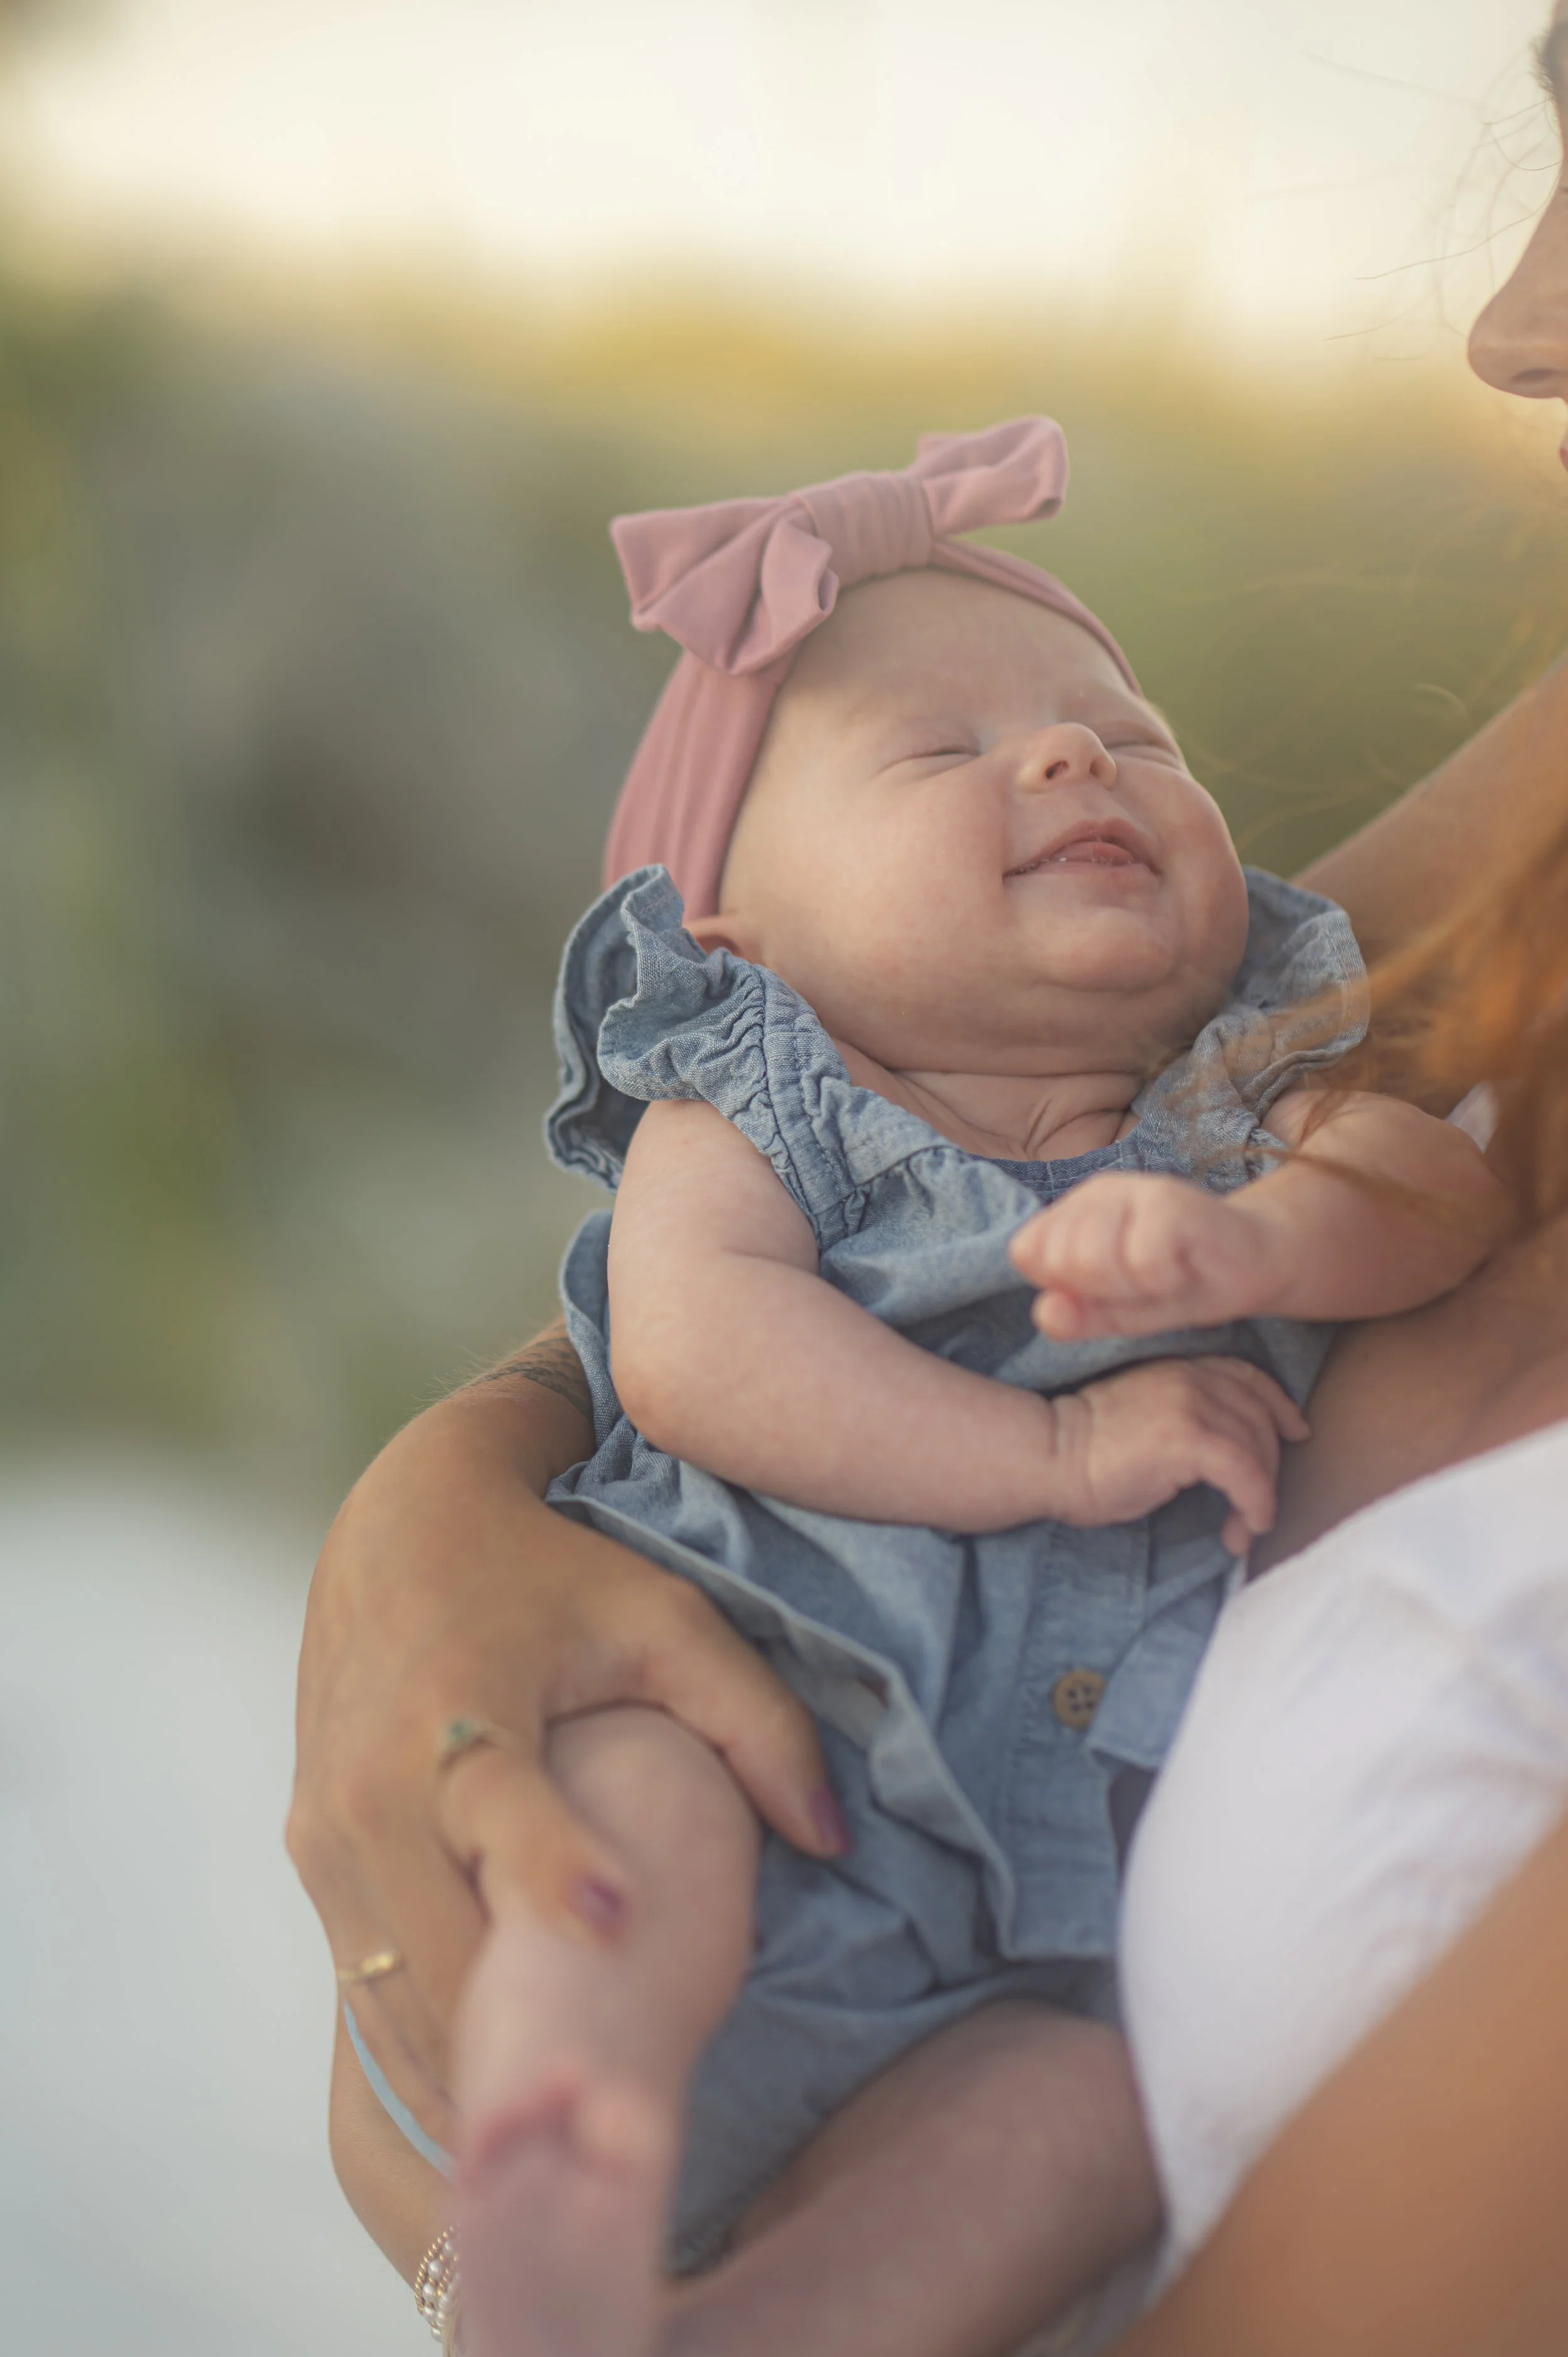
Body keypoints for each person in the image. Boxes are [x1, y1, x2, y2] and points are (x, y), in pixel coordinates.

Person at [292, 14, 1568, 2351]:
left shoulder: (1247, 1063)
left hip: (993, 1952)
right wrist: (425, 1516)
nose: (1510, 323)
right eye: (942, 750)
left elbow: (1421, 1186)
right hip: (746, 1748)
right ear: (739, 941)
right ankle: (561, 2179)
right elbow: (667, 1342)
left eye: (1130, 743)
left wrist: (1272, 1234)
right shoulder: (767, 1095)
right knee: (643, 1832)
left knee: (1074, 2122)